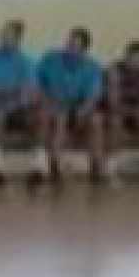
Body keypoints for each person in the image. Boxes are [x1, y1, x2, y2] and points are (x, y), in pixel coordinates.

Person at [36, 27, 108, 186]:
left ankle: (97, 168)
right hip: (55, 104)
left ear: (84, 50)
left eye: (74, 46)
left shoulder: (93, 66)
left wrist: (81, 112)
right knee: (59, 118)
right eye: (69, 43)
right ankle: (55, 166)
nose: (69, 48)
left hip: (79, 106)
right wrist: (48, 102)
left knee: (96, 121)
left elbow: (93, 96)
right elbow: (38, 85)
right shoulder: (50, 59)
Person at [0, 20, 40, 189]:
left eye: (8, 35)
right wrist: (14, 89)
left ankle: (39, 166)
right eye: (3, 34)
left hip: (18, 108)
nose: (4, 38)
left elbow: (28, 92)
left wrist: (11, 93)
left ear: (18, 39)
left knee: (40, 117)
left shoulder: (27, 62)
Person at [105, 40, 139, 156]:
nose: (136, 63)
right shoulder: (115, 71)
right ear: (126, 57)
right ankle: (113, 159)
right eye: (133, 59)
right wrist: (133, 111)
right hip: (112, 110)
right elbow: (113, 102)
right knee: (116, 121)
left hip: (133, 110)